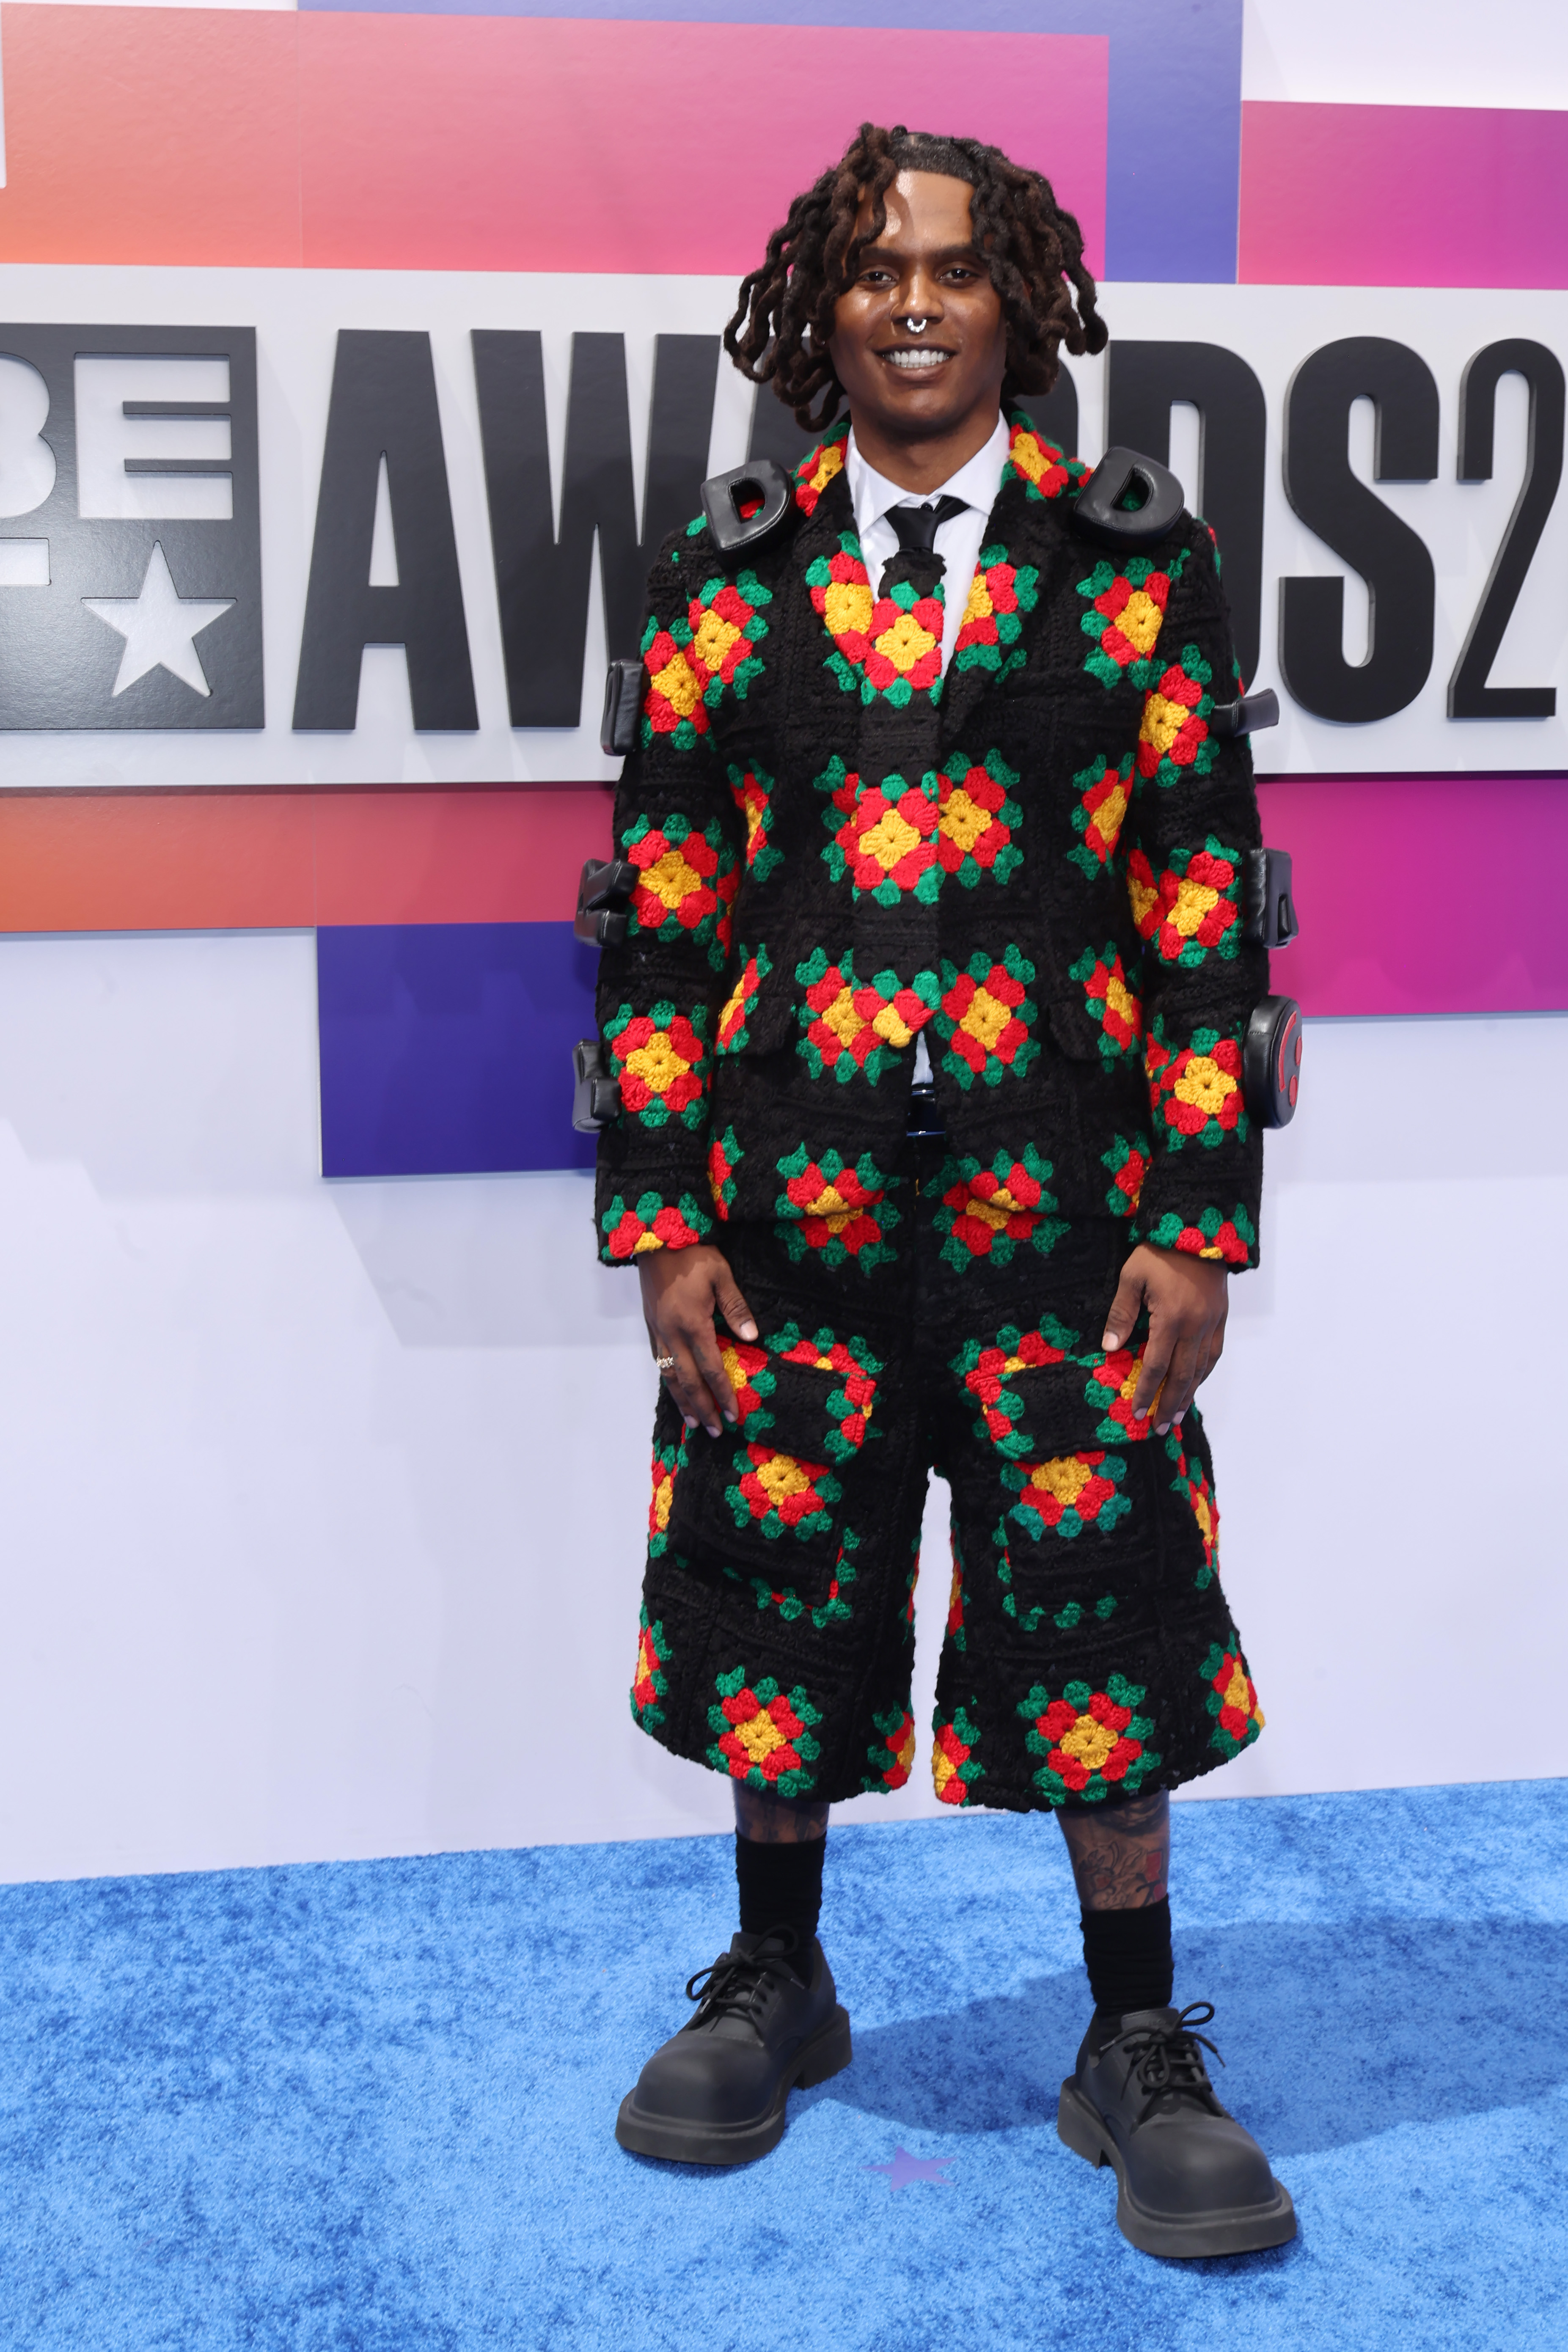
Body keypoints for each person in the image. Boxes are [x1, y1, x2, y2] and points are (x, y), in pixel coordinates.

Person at [591, 121, 1293, 2258]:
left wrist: (1197, 1213)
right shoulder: (726, 569)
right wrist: (665, 1219)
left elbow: (1200, 906)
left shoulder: (1134, 568)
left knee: (1101, 1618)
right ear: (821, 304)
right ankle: (779, 1974)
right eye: (878, 269)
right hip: (785, 1210)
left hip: (1065, 1218)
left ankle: (1135, 2037)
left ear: (1024, 305)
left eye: (958, 270)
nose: (915, 301)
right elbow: (659, 914)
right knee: (776, 1593)